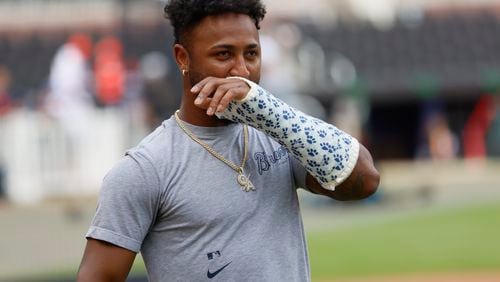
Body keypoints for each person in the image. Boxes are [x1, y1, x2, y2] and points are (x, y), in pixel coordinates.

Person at [77, 1, 379, 281]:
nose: (242, 71)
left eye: (251, 54)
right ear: (183, 58)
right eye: (223, 54)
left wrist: (269, 111)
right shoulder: (145, 169)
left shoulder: (280, 133)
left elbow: (364, 182)